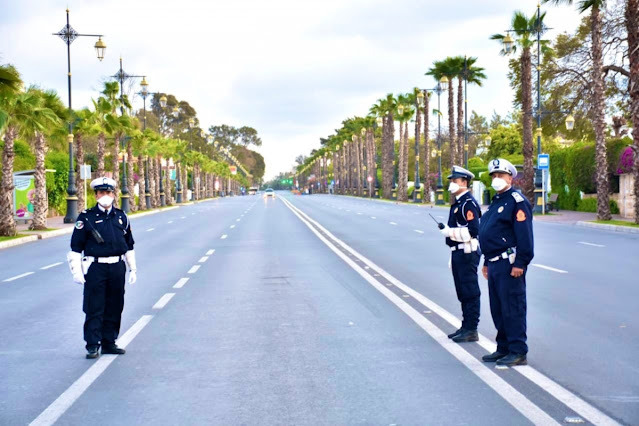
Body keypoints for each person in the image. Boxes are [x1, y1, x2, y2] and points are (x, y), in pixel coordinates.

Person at [67, 177, 137, 359]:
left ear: (113, 194)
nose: (105, 196)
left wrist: (133, 269)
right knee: (94, 306)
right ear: (96, 195)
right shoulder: (86, 217)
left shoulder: (122, 217)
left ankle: (109, 342)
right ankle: (92, 344)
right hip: (96, 267)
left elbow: (129, 245)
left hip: (117, 267)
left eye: (108, 192)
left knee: (115, 305)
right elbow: (75, 247)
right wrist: (77, 272)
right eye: (101, 193)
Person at [478, 159, 533, 367]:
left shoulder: (516, 201)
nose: (497, 179)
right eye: (494, 176)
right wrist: (485, 260)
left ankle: (518, 350)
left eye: (501, 175)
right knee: (498, 308)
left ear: (510, 177)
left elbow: (524, 236)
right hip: (493, 262)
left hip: (509, 263)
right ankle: (503, 347)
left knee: (513, 307)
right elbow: (490, 233)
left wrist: (521, 262)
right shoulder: (497, 200)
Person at [439, 166, 482, 343]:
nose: (451, 184)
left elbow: (473, 231)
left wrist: (450, 232)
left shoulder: (468, 203)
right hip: (458, 252)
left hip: (467, 251)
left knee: (470, 291)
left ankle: (472, 329)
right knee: (462, 292)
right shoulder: (458, 203)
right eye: (451, 181)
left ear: (464, 182)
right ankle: (466, 326)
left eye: (455, 181)